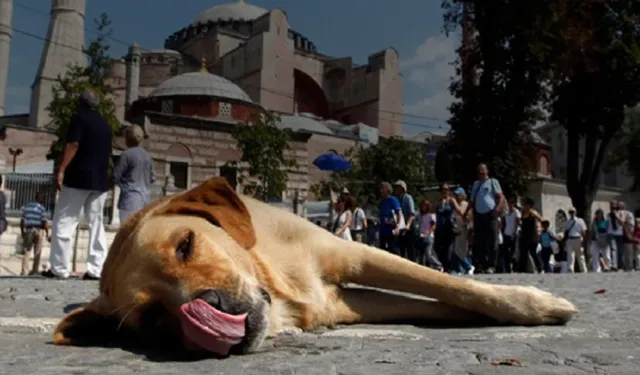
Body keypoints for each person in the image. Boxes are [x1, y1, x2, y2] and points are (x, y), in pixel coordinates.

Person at [43, 88, 113, 280]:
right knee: (96, 224)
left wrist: (61, 169)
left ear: (80, 103)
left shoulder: (79, 119)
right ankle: (96, 268)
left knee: (65, 221)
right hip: (99, 180)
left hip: (78, 177)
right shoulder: (105, 125)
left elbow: (73, 145)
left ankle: (59, 268)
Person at [464, 163, 505, 273]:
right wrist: (466, 212)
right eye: (479, 170)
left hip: (490, 214)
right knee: (479, 241)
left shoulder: (492, 182)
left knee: (492, 240)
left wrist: (498, 208)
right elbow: (471, 201)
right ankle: (480, 264)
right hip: (479, 215)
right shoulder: (476, 184)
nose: (481, 172)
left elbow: (501, 196)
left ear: (487, 171)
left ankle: (492, 265)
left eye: (483, 170)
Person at [113, 125, 156, 223]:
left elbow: (116, 176)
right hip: (145, 202)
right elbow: (153, 178)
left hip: (129, 201)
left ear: (128, 139)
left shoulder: (126, 154)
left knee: (125, 234)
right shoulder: (147, 156)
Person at [19, 191, 49, 276]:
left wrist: (22, 232)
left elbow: (22, 221)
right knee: (37, 252)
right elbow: (44, 222)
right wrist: (47, 233)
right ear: (39, 198)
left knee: (26, 251)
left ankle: (24, 271)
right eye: (42, 197)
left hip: (29, 230)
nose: (43, 199)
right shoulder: (41, 208)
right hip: (39, 230)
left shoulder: (27, 207)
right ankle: (34, 271)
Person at [449, 187, 474, 275]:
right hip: (457, 230)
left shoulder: (465, 205)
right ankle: (457, 269)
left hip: (464, 229)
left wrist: (455, 203)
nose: (456, 197)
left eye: (457, 195)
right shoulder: (456, 205)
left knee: (461, 251)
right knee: (455, 250)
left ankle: (468, 266)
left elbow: (462, 215)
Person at [517, 197, 544, 273]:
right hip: (524, 236)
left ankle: (540, 268)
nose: (524, 206)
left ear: (529, 205)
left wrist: (540, 228)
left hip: (532, 236)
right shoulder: (522, 212)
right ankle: (522, 269)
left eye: (525, 204)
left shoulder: (532, 212)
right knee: (523, 253)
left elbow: (541, 219)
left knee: (533, 253)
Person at [434, 183, 456, 272]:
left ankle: (448, 267)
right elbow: (434, 212)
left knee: (448, 248)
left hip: (448, 227)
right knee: (439, 248)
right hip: (440, 228)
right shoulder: (439, 201)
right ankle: (442, 265)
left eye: (446, 189)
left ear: (449, 191)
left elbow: (458, 209)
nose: (444, 191)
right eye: (443, 189)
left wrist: (464, 216)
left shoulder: (451, 200)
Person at [393, 180, 417, 261]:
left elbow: (412, 214)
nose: (395, 189)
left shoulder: (408, 198)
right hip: (400, 226)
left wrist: (408, 225)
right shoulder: (395, 199)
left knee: (411, 250)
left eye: (397, 187)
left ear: (402, 188)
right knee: (400, 249)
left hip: (408, 226)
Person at [416, 200, 441, 270]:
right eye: (422, 205)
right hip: (421, 237)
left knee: (428, 254)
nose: (424, 207)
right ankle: (422, 268)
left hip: (429, 237)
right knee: (420, 255)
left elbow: (433, 226)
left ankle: (438, 265)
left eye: (425, 206)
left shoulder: (431, 215)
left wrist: (428, 233)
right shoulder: (420, 215)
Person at [378, 182, 402, 254]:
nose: (381, 191)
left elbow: (398, 212)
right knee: (383, 250)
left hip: (391, 229)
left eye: (382, 188)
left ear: (387, 189)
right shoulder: (382, 202)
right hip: (382, 230)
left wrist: (398, 226)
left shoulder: (392, 200)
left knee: (393, 249)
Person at [499, 200, 520, 273]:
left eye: (511, 203)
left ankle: (515, 267)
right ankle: (507, 268)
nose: (509, 205)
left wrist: (514, 232)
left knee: (513, 251)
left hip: (514, 234)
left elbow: (517, 222)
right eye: (508, 203)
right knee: (505, 252)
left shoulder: (516, 212)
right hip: (506, 233)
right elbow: (502, 221)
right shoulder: (506, 212)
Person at [564, 207, 587, 273]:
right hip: (570, 239)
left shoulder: (580, 220)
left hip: (578, 238)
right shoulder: (567, 222)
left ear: (575, 212)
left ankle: (583, 270)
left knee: (580, 256)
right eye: (570, 212)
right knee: (570, 255)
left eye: (573, 212)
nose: (572, 213)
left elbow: (583, 231)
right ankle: (570, 269)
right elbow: (565, 232)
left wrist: (584, 241)